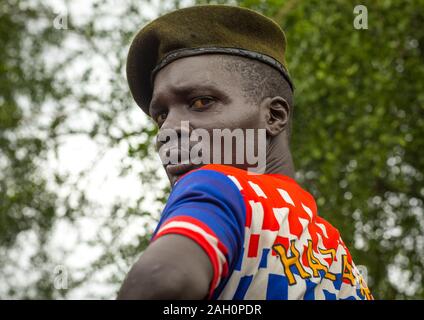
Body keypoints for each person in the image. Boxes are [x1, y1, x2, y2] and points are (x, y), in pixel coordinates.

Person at [117, 4, 373, 300]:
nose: (166, 132)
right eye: (161, 116)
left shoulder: (218, 188)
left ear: (274, 116)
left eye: (201, 102)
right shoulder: (333, 252)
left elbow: (162, 281)